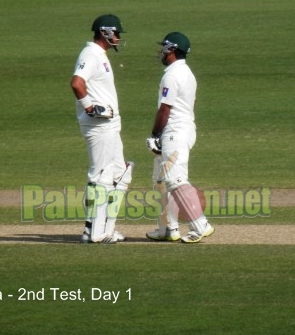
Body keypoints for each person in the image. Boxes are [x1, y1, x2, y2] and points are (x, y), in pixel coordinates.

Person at [145, 32, 214, 243]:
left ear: (171, 49)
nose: (161, 52)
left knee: (174, 179)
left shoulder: (172, 75)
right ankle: (168, 228)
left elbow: (165, 109)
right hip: (179, 130)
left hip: (174, 132)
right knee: (160, 180)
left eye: (164, 48)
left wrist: (155, 134)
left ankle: (200, 225)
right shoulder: (186, 72)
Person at [70, 14, 132, 243]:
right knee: (100, 177)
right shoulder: (91, 54)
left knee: (120, 174)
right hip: (99, 126)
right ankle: (92, 231)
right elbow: (76, 82)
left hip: (110, 125)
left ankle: (105, 229)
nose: (117, 37)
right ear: (105, 32)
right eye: (116, 33)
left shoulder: (100, 55)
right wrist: (89, 107)